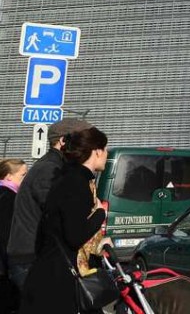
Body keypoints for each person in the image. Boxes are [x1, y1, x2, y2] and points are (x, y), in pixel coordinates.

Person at [20, 126, 110, 314]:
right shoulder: (76, 183)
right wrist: (100, 213)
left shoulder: (70, 177)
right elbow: (75, 235)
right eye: (105, 149)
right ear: (96, 151)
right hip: (58, 282)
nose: (107, 154)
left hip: (53, 274)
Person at [5, 118, 92, 291]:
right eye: (82, 141)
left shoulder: (55, 166)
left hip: (35, 258)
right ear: (63, 141)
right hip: (30, 260)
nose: (87, 148)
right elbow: (60, 213)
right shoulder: (49, 169)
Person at [0, 159, 27, 313]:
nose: (26, 179)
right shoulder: (9, 198)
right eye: (23, 175)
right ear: (9, 176)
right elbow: (6, 234)